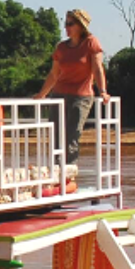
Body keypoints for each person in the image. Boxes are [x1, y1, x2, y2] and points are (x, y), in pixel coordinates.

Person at [34, 9, 108, 166]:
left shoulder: (90, 42)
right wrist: (42, 94)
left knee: (71, 136)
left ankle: (69, 174)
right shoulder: (61, 47)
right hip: (59, 95)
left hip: (81, 96)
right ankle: (56, 172)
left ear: (81, 26)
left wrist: (103, 91)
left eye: (70, 24)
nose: (66, 27)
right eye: (65, 24)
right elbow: (54, 74)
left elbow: (97, 68)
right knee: (55, 136)